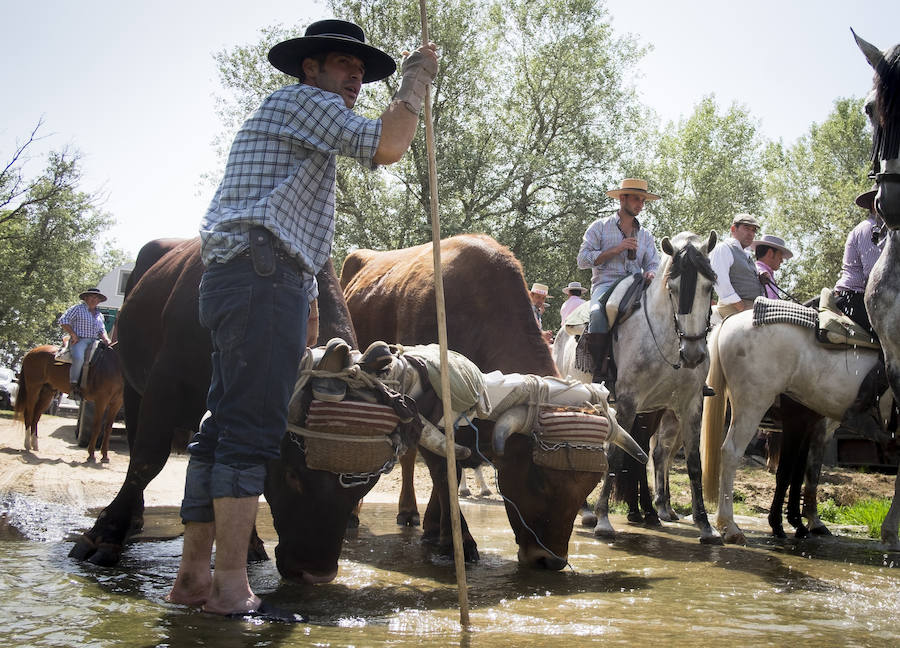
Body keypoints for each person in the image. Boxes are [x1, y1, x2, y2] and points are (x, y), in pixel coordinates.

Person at [166, 18, 438, 620]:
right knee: (250, 432)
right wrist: (415, 83)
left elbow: (298, 225)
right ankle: (230, 586)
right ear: (310, 67)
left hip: (247, 276)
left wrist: (309, 299)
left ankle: (192, 577)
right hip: (261, 278)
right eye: (344, 65)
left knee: (221, 426)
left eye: (361, 71)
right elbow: (388, 145)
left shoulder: (299, 121)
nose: (355, 78)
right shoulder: (306, 102)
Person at [576, 178, 660, 387]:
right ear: (622, 198)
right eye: (636, 199)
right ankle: (598, 370)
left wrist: (651, 273)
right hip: (606, 284)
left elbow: (653, 263)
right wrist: (617, 249)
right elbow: (582, 260)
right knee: (597, 312)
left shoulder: (646, 235)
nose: (640, 205)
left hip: (636, 285)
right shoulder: (600, 227)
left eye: (643, 201)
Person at [832, 186, 888, 438]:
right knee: (893, 346)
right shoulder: (870, 230)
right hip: (853, 297)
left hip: (861, 297)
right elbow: (874, 275)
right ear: (876, 204)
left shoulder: (882, 230)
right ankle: (859, 409)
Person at [57, 288, 112, 398]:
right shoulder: (77, 308)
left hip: (95, 341)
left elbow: (101, 330)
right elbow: (63, 320)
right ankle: (73, 385)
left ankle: (94, 384)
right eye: (91, 297)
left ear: (99, 301)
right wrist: (73, 334)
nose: (94, 299)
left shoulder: (99, 315)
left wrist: (106, 339)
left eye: (96, 298)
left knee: (105, 359)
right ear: (86, 298)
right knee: (79, 358)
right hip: (80, 340)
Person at [709, 213, 763, 318]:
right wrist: (740, 306)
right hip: (734, 307)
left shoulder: (746, 254)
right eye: (746, 228)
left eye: (753, 230)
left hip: (752, 307)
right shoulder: (724, 248)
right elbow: (720, 280)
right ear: (733, 229)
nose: (751, 233)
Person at [752, 234, 794, 300]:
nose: (782, 261)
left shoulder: (760, 271)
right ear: (770, 253)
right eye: (780, 256)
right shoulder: (761, 273)